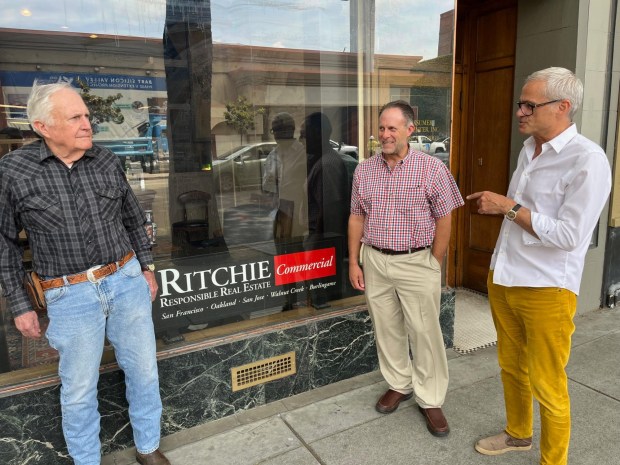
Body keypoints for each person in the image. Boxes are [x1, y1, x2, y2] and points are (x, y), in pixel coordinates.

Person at [0, 82, 170, 465]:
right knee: (78, 389)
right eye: (75, 117)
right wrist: (19, 303)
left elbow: (131, 218)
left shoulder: (107, 160)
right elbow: (4, 243)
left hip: (125, 280)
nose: (86, 124)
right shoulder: (13, 171)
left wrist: (147, 267)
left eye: (87, 116)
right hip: (69, 294)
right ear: (43, 126)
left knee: (144, 371)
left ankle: (148, 447)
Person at [467, 67, 611, 465]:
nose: (520, 111)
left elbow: (570, 235)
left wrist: (508, 207)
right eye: (520, 103)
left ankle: (554, 461)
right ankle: (517, 435)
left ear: (563, 107)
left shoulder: (588, 160)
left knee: (549, 382)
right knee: (511, 368)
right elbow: (526, 217)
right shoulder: (529, 149)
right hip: (505, 275)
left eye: (530, 104)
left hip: (548, 287)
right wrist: (507, 213)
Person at [348, 100, 463, 437]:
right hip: (375, 259)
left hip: (417, 260)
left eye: (392, 128)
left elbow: (446, 216)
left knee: (425, 331)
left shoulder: (432, 169)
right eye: (381, 128)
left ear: (409, 130)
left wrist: (434, 261)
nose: (384, 134)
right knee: (386, 327)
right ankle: (399, 383)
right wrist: (354, 260)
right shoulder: (363, 170)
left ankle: (430, 398)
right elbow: (357, 215)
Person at [304, 112, 350, 308]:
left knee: (325, 294)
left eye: (305, 133)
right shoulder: (318, 159)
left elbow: (330, 207)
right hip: (317, 236)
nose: (303, 139)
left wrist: (316, 242)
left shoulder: (328, 164)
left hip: (323, 238)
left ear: (317, 133)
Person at [262, 112, 308, 310]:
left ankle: (308, 296)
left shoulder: (301, 152)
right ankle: (289, 299)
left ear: (291, 130)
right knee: (283, 257)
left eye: (281, 129)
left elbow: (293, 182)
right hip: (280, 210)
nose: (277, 134)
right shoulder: (273, 154)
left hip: (297, 211)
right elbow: (267, 184)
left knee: (300, 256)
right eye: (275, 129)